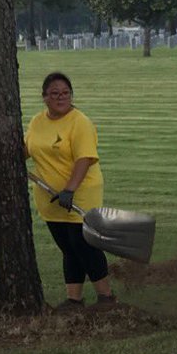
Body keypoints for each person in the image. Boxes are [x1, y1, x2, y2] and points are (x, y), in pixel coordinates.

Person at [23, 71, 115, 306]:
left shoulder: (79, 122)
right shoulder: (37, 122)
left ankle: (106, 297)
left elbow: (84, 158)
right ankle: (74, 300)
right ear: (44, 97)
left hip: (80, 193)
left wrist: (70, 189)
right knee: (67, 247)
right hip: (51, 198)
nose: (60, 97)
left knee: (84, 245)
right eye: (54, 93)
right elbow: (28, 148)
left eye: (65, 93)